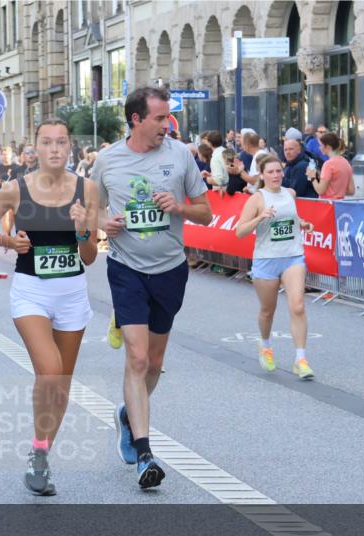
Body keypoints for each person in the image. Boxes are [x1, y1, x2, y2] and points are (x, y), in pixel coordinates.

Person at [90, 86, 212, 489]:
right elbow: (93, 209)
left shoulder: (180, 155)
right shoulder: (107, 161)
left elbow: (207, 213)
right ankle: (145, 452)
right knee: (138, 359)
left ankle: (128, 413)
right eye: (160, 118)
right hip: (126, 268)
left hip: (171, 269)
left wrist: (178, 207)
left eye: (168, 118)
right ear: (136, 119)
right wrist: (102, 224)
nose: (167, 125)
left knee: (155, 363)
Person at [0, 118, 99, 495]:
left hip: (73, 292)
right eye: (47, 142)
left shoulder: (88, 189)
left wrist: (81, 230)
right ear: (36, 148)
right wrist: (9, 243)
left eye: (62, 142)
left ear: (70, 148)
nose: (55, 149)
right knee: (49, 371)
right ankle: (39, 452)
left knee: (60, 383)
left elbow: (90, 256)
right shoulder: (15, 190)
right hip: (31, 290)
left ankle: (40, 453)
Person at [236, 155, 316, 379]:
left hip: (293, 256)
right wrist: (260, 217)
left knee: (298, 306)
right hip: (266, 260)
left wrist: (303, 223)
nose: (276, 175)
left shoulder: (289, 193)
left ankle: (301, 360)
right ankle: (266, 345)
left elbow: (291, 218)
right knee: (267, 311)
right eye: (270, 172)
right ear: (262, 175)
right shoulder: (257, 198)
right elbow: (240, 231)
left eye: (278, 171)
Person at [307, 132, 355, 200]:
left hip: (327, 204)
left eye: (321, 145)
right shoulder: (346, 163)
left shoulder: (328, 164)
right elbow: (351, 191)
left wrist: (312, 177)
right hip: (340, 204)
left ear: (328, 147)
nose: (319, 148)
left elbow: (320, 191)